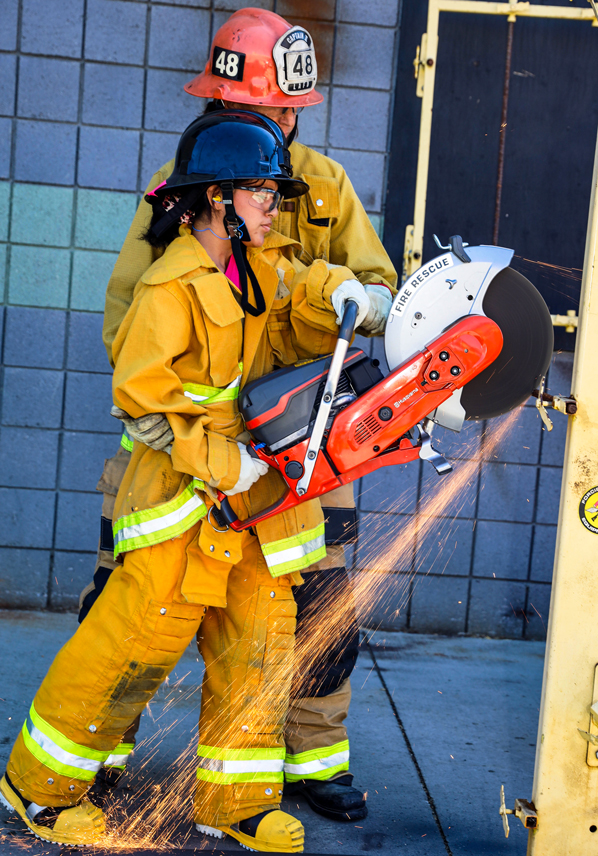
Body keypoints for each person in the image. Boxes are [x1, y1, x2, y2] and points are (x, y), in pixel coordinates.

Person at [0, 110, 378, 852]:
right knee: (130, 645)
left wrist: (348, 295)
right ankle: (38, 789)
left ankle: (235, 803)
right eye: (262, 192)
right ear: (215, 199)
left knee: (259, 645)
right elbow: (140, 401)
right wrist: (219, 460)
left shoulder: (257, 268)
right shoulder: (168, 288)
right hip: (184, 501)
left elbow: (298, 295)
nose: (275, 205)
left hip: (255, 505)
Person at [80, 7, 397, 823]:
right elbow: (130, 325)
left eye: (276, 115)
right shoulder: (177, 193)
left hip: (310, 451)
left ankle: (311, 759)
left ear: (294, 113)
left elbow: (380, 291)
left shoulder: (322, 187)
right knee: (131, 609)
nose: (266, 129)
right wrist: (180, 425)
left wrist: (361, 309)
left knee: (319, 611)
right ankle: (95, 755)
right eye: (241, 113)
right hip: (188, 453)